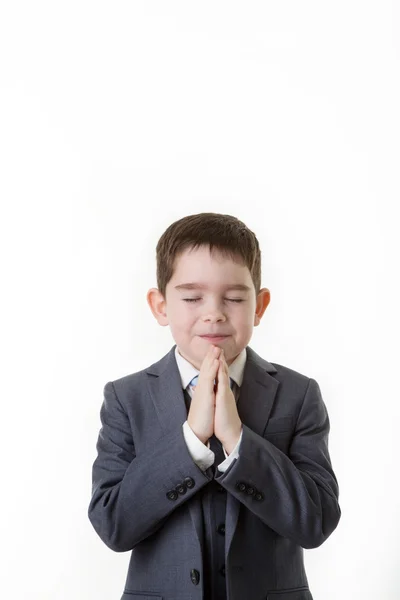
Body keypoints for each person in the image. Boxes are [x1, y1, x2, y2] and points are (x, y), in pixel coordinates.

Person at [88, 212, 341, 600]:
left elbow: (317, 521)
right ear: (160, 306)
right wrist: (190, 441)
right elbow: (113, 525)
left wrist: (238, 440)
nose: (214, 313)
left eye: (235, 298)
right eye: (191, 297)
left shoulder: (299, 394)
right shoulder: (126, 398)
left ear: (260, 305)